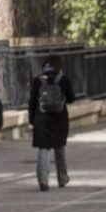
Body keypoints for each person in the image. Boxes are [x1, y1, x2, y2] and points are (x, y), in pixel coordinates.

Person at [28, 55, 76, 192]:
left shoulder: (38, 81)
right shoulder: (63, 79)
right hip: (59, 119)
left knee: (43, 149)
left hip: (41, 118)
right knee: (59, 148)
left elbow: (32, 101)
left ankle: (43, 181)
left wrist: (32, 119)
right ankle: (62, 178)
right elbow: (71, 98)